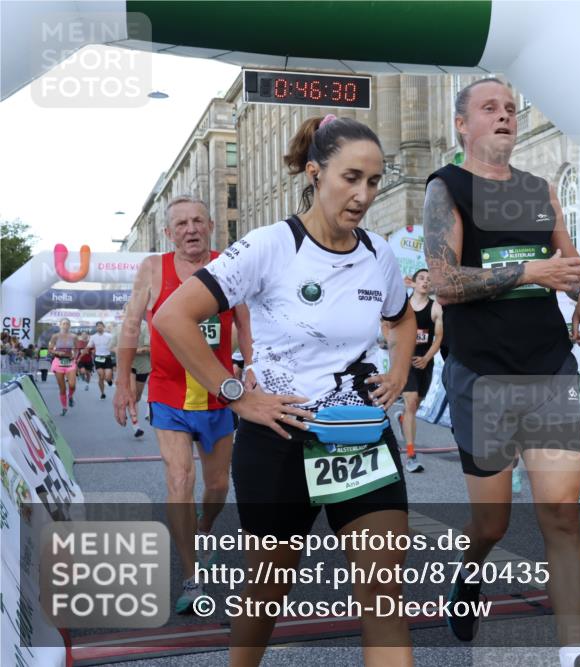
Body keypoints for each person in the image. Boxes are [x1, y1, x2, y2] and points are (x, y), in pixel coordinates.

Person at [154, 115, 416, 666]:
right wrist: (234, 393)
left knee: (384, 599)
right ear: (316, 174)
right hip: (279, 439)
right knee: (266, 596)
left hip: (360, 440)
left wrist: (397, 372)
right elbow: (174, 316)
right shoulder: (270, 246)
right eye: (351, 178)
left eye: (373, 181)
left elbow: (402, 316)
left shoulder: (379, 254)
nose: (363, 195)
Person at [423, 78, 580, 667]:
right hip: (482, 371)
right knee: (492, 522)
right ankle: (469, 574)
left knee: (559, 513)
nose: (504, 116)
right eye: (488, 108)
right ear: (461, 125)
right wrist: (531, 273)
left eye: (510, 109)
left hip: (548, 366)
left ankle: (574, 651)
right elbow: (446, 283)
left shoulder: (539, 191)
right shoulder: (445, 187)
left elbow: (572, 264)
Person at [113, 195, 253, 615]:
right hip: (169, 392)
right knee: (179, 478)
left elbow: (246, 323)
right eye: (181, 224)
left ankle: (205, 525)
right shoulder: (153, 268)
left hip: (219, 394)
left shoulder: (229, 263)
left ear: (210, 226)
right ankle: (193, 578)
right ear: (168, 232)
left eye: (197, 221)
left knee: (216, 487)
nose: (190, 229)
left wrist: (253, 368)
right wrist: (123, 380)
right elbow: (131, 322)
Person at [400, 268, 443, 473]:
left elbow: (439, 338)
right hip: (404, 361)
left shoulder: (436, 308)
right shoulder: (403, 305)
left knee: (415, 404)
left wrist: (427, 358)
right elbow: (386, 325)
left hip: (424, 362)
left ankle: (402, 419)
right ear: (414, 282)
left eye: (429, 279)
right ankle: (411, 455)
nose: (425, 282)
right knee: (410, 402)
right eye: (421, 278)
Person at [47, 318, 79, 416]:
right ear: (60, 325)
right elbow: (50, 349)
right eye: (63, 324)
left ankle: (70, 396)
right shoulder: (55, 336)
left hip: (70, 362)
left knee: (72, 385)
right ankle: (64, 407)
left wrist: (75, 355)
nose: (65, 325)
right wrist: (57, 352)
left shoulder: (74, 336)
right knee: (62, 388)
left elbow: (77, 349)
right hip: (58, 362)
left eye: (67, 324)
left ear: (69, 326)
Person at [88, 321, 115, 399]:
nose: (99, 327)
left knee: (107, 377)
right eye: (98, 326)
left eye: (101, 326)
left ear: (103, 327)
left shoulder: (109, 336)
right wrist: (87, 350)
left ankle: (109, 380)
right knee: (101, 376)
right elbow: (89, 345)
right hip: (98, 358)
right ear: (96, 328)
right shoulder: (93, 337)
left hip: (107, 358)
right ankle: (102, 393)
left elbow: (115, 343)